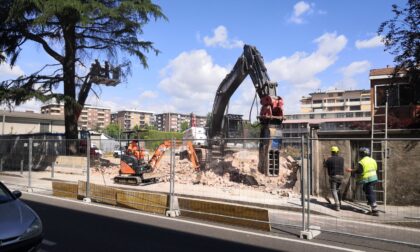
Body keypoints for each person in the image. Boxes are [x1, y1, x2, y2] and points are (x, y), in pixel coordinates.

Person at [346, 147, 379, 216]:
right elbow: (376, 169)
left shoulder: (362, 162)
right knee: (366, 190)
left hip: (368, 179)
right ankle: (371, 204)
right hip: (374, 178)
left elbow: (359, 171)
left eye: (360, 153)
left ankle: (374, 208)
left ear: (362, 154)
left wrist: (351, 170)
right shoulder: (373, 160)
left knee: (369, 192)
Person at [324, 146, 344, 211]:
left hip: (333, 176)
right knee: (338, 189)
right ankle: (340, 202)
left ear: (332, 152)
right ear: (337, 152)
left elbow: (325, 166)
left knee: (334, 190)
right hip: (341, 176)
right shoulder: (342, 159)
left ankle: (337, 204)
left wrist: (325, 162)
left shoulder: (329, 159)